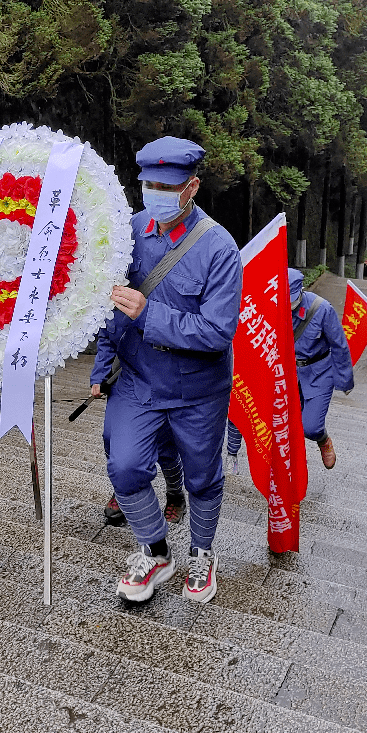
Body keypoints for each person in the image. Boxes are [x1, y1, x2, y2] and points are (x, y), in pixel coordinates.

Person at [90, 136, 242, 605]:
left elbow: (217, 332)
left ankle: (201, 552)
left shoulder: (219, 248)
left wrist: (148, 313)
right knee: (126, 466)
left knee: (200, 476)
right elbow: (110, 307)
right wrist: (101, 366)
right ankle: (155, 551)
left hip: (198, 388)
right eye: (148, 184)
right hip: (138, 378)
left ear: (191, 187)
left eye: (166, 185)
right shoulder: (126, 232)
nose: (155, 192)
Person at [289, 267, 354, 465]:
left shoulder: (321, 309)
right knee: (288, 425)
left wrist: (344, 380)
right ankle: (295, 466)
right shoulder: (273, 307)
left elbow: (339, 345)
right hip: (290, 374)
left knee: (311, 427)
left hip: (319, 372)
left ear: (300, 292)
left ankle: (323, 440)